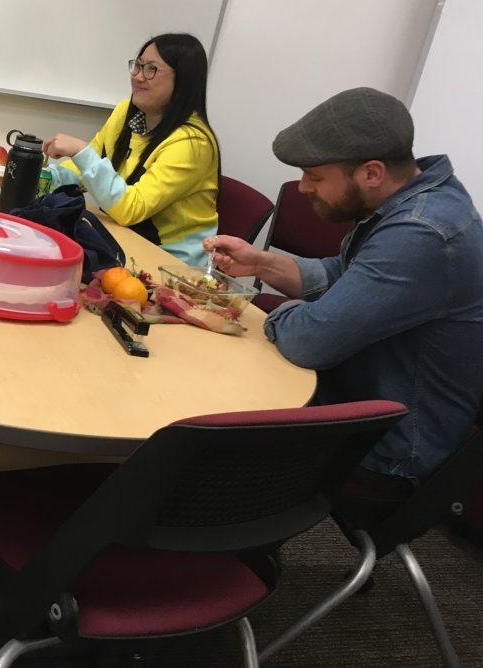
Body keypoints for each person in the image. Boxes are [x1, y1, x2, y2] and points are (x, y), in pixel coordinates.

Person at [205, 87, 483, 519]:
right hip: (357, 393)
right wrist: (261, 263)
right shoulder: (411, 196)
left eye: (315, 177)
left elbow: (308, 341)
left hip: (386, 449)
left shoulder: (423, 233)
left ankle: (206, 548)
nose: (301, 187)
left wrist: (274, 310)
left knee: (202, 428)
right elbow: (345, 273)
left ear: (371, 172)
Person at [42, 33, 219, 267]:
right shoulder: (128, 111)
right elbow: (84, 168)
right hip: (123, 239)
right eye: (137, 66)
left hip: (171, 265)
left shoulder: (192, 143)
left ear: (183, 80)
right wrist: (41, 177)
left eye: (151, 69)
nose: (137, 76)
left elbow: (131, 209)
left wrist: (80, 151)